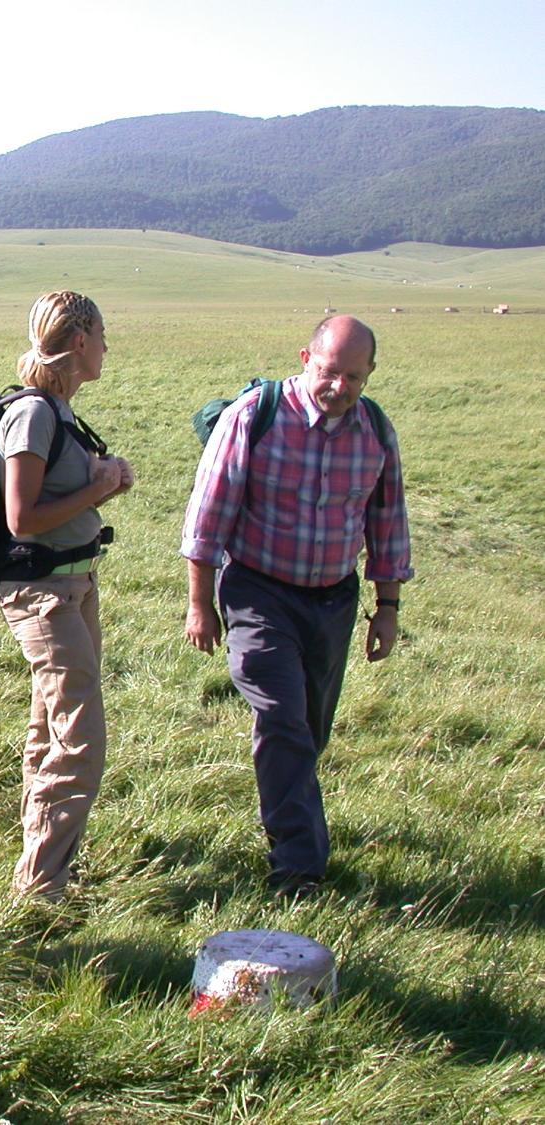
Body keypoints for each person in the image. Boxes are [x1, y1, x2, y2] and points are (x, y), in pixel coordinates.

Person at [182, 315, 411, 898]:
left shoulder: (375, 431)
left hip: (333, 600)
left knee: (308, 730)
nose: (339, 387)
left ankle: (289, 821)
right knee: (283, 719)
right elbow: (207, 517)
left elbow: (387, 522)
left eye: (354, 378)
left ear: (370, 375)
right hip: (259, 592)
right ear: (306, 357)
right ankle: (300, 866)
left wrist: (387, 606)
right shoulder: (255, 417)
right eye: (331, 372)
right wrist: (200, 604)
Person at [0, 291, 133, 898]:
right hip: (41, 594)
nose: (106, 346)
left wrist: (104, 480)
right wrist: (100, 490)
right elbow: (21, 517)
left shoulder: (59, 410)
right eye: (101, 334)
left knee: (50, 730)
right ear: (79, 342)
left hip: (73, 584)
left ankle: (42, 861)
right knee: (80, 741)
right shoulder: (33, 415)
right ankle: (40, 887)